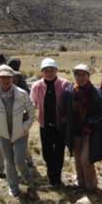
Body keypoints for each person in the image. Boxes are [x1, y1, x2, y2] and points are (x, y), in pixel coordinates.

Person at [0, 65, 36, 198]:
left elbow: (31, 111)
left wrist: (26, 126)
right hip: (3, 133)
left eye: (8, 77)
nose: (5, 80)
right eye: (2, 77)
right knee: (9, 161)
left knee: (19, 160)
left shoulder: (22, 94)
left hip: (20, 133)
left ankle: (29, 180)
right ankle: (13, 187)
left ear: (13, 78)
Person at [61, 64, 102, 191]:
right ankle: (81, 183)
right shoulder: (69, 92)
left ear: (88, 76)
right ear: (74, 76)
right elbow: (64, 111)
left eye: (83, 75)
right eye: (78, 75)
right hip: (74, 130)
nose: (81, 78)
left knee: (86, 160)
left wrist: (90, 122)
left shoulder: (97, 93)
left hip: (90, 131)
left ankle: (92, 185)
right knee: (77, 158)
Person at [30, 58, 70, 187]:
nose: (49, 73)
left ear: (56, 70)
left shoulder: (64, 84)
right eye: (46, 70)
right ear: (42, 72)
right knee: (47, 153)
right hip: (44, 124)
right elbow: (32, 104)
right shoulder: (37, 86)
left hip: (60, 125)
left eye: (51, 70)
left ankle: (56, 180)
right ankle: (51, 175)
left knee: (59, 152)